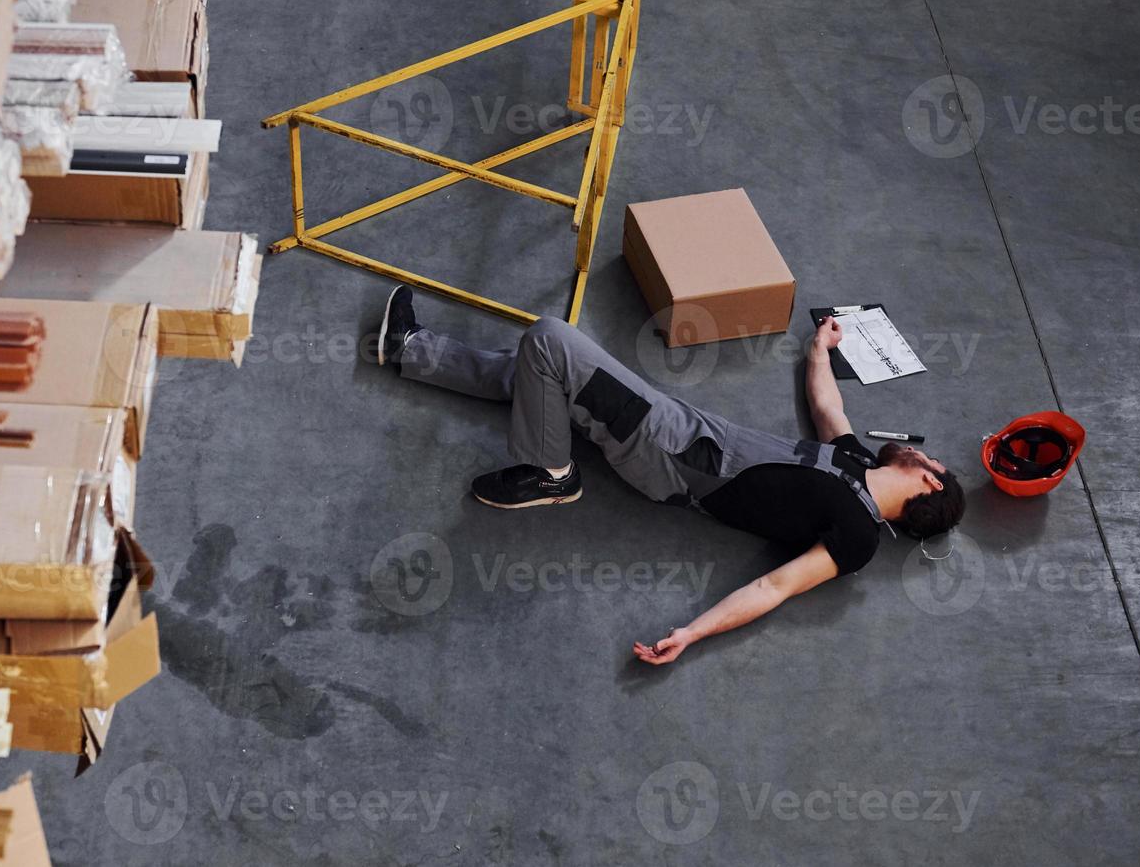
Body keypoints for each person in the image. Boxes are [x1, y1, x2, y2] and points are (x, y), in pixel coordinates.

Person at [375, 285, 966, 665]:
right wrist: (820, 349)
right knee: (544, 378)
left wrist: (692, 633)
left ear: (930, 481)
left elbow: (775, 587)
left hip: (669, 452)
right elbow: (829, 410)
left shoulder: (857, 536)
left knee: (550, 341)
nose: (921, 451)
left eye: (930, 460)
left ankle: (550, 473)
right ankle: (409, 349)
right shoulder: (858, 462)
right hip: (682, 430)